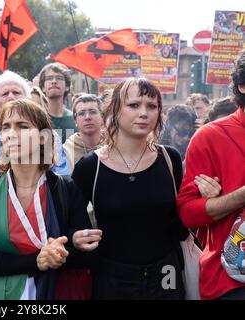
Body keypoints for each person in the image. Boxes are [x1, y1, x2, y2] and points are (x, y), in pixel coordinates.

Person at [72, 78, 189, 300]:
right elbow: (70, 224)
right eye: (134, 105)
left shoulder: (170, 159)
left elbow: (181, 223)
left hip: (166, 275)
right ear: (115, 110)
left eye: (152, 106)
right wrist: (76, 237)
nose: (144, 113)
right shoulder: (90, 167)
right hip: (112, 279)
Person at [0, 99, 100, 300]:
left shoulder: (64, 188)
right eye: (5, 127)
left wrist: (67, 247)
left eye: (22, 126)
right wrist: (37, 261)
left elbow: (88, 255)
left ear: (43, 137)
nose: (12, 134)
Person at [177, 51, 245, 300]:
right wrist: (238, 197)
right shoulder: (210, 137)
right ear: (242, 85)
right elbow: (188, 213)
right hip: (232, 282)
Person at [0, 71, 69, 175]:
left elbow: (61, 174)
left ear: (28, 100)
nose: (11, 97)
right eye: (5, 94)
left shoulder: (47, 135)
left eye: (16, 92)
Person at [38, 63, 77, 143]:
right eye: (49, 78)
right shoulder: (36, 119)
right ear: (43, 87)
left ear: (67, 87)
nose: (54, 81)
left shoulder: (75, 119)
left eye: (59, 78)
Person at [64, 94, 102, 173]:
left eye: (93, 112)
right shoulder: (65, 151)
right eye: (81, 113)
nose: (87, 117)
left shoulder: (113, 146)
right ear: (75, 121)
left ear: (102, 117)